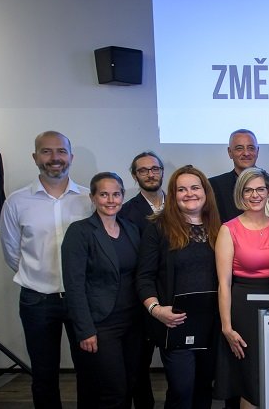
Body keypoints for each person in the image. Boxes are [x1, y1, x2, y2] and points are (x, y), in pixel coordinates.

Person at [0, 131, 92, 409]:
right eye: (46, 151)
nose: (55, 158)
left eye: (61, 151)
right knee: (43, 374)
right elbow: (12, 251)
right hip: (37, 301)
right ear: (35, 156)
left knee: (89, 370)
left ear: (71, 157)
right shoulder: (16, 202)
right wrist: (36, 274)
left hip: (82, 300)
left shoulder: (88, 199)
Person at [136, 165, 221, 409]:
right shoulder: (158, 228)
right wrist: (155, 310)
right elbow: (144, 277)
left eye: (195, 187)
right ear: (173, 195)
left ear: (205, 192)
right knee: (182, 390)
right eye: (181, 189)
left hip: (211, 323)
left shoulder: (219, 227)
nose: (189, 193)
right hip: (174, 322)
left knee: (204, 388)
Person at [61, 172, 141, 408]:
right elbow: (74, 285)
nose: (111, 200)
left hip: (133, 322)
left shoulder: (130, 228)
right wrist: (85, 330)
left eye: (116, 194)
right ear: (93, 198)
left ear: (123, 196)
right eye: (104, 194)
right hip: (102, 325)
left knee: (131, 384)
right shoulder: (80, 232)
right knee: (113, 391)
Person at [213, 168, 269, 409]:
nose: (255, 195)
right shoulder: (229, 229)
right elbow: (224, 283)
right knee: (250, 379)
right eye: (248, 190)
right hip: (244, 309)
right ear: (240, 194)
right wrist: (227, 327)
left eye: (260, 189)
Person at [118, 151, 166, 409]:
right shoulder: (125, 212)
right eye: (143, 170)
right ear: (135, 176)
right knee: (137, 366)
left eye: (155, 169)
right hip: (140, 298)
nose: (150, 174)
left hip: (173, 294)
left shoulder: (180, 204)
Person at [210, 129, 260, 223]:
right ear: (230, 152)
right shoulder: (213, 185)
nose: (246, 153)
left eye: (251, 148)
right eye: (239, 148)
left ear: (257, 151)